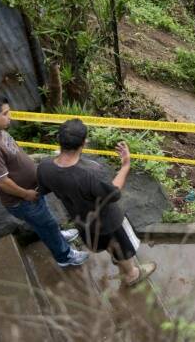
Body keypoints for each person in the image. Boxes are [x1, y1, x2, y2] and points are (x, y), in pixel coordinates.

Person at [0, 94, 88, 267]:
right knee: (45, 225)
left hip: (32, 191)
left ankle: (57, 235)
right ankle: (65, 257)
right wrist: (26, 194)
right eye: (5, 113)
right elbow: (1, 182)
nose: (10, 116)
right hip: (22, 200)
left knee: (47, 219)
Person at [37, 118, 156, 286]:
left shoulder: (45, 167)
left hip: (82, 222)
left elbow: (44, 188)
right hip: (108, 222)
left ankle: (116, 259)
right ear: (84, 143)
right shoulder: (90, 173)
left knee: (106, 244)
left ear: (59, 140)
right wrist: (125, 166)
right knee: (120, 246)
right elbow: (113, 194)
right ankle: (131, 275)